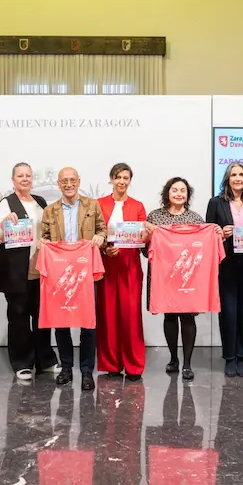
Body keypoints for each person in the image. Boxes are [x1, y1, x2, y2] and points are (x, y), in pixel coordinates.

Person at [40, 167, 106, 391]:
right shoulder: (50, 210)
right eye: (64, 181)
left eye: (72, 180)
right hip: (60, 271)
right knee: (61, 321)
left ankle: (87, 370)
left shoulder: (92, 205)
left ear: (79, 182)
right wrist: (43, 243)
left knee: (88, 321)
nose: (68, 184)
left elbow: (102, 231)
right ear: (58, 184)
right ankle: (66, 367)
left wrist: (100, 237)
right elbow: (45, 237)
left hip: (85, 271)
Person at [0, 163, 59, 380]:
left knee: (42, 317)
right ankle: (22, 363)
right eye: (20, 176)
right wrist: (4, 222)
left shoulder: (40, 202)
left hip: (40, 269)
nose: (25, 179)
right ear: (13, 181)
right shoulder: (6, 203)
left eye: (28, 175)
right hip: (16, 271)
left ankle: (45, 360)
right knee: (18, 316)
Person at [206, 162, 243, 378]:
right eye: (234, 175)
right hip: (227, 263)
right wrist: (220, 232)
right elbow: (208, 232)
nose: (238, 178)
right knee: (228, 311)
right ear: (227, 179)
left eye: (241, 174)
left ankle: (242, 357)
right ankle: (229, 357)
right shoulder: (216, 203)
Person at [145, 177, 204, 380]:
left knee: (188, 317)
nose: (179, 193)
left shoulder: (196, 219)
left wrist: (214, 233)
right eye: (174, 190)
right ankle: (173, 358)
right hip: (164, 276)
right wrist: (148, 236)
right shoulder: (154, 217)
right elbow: (146, 251)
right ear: (167, 193)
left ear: (188, 195)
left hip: (188, 276)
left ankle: (187, 363)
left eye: (183, 190)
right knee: (169, 316)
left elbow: (202, 248)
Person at [96, 163, 147, 380]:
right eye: (118, 177)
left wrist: (147, 233)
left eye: (126, 178)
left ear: (130, 181)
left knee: (130, 315)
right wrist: (105, 250)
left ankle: (134, 365)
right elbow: (94, 234)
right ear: (111, 179)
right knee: (107, 315)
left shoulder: (138, 206)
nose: (122, 181)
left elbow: (143, 237)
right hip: (107, 265)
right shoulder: (99, 204)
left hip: (130, 266)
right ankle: (112, 364)